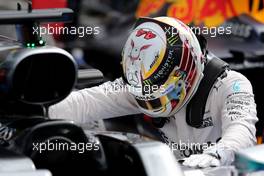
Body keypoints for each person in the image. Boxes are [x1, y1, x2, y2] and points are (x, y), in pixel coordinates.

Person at [49, 17, 258, 168]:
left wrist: (218, 154)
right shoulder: (141, 82)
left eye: (162, 94)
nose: (152, 101)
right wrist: (34, 108)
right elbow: (86, 102)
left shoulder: (232, 85)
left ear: (185, 72)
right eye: (146, 96)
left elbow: (242, 130)